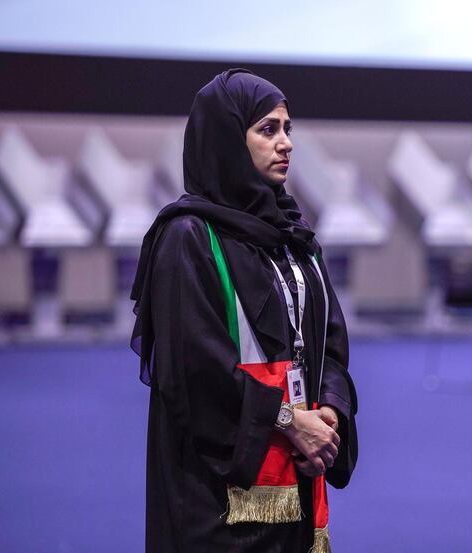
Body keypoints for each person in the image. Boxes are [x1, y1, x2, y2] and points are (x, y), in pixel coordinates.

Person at [130, 69, 358, 552]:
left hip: (297, 475)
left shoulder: (292, 235)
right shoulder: (188, 237)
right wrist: (289, 421)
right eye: (267, 129)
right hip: (217, 494)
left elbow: (329, 340)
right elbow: (192, 372)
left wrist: (330, 411)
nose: (286, 143)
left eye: (288, 128)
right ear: (229, 138)